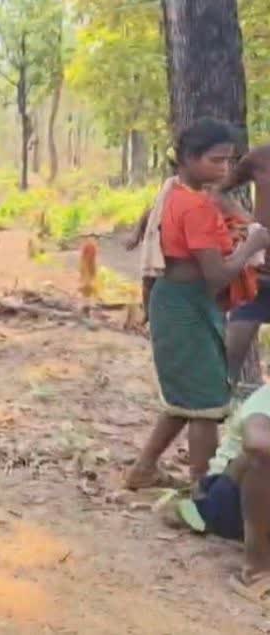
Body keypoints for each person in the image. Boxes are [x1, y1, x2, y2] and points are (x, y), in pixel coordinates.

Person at [126, 119, 270, 492]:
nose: (224, 169)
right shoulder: (196, 208)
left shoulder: (176, 191)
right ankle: (202, 489)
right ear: (189, 158)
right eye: (217, 161)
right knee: (206, 402)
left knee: (186, 398)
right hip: (187, 306)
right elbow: (218, 276)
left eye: (228, 161)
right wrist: (250, 246)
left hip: (180, 302)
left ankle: (144, 469)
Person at [163, 384, 270, 604]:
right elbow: (257, 444)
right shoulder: (265, 400)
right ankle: (256, 570)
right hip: (231, 498)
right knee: (260, 458)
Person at [222, 145, 270, 396]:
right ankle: (216, 414)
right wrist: (243, 219)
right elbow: (216, 191)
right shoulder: (260, 158)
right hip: (258, 277)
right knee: (228, 361)